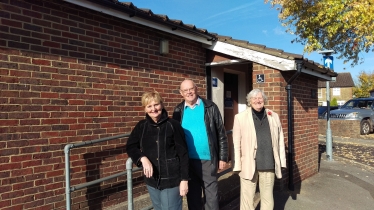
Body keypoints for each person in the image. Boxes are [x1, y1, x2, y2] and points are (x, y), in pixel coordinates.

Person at [126, 91, 189, 210]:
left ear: (162, 105)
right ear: (145, 109)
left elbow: (183, 154)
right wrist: (142, 158)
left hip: (171, 180)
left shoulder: (173, 125)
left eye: (156, 105)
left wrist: (184, 180)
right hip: (152, 180)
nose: (153, 109)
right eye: (149, 106)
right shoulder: (141, 126)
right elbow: (131, 146)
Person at [172, 79, 228, 210]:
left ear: (196, 89)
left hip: (207, 159)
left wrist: (223, 157)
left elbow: (221, 132)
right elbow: (175, 137)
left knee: (211, 197)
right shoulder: (178, 110)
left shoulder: (210, 107)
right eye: (185, 90)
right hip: (188, 161)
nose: (189, 92)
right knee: (193, 196)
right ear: (181, 93)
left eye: (191, 89)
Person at [232, 89, 286, 210]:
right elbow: (236, 143)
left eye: (260, 98)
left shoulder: (273, 116)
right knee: (247, 199)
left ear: (264, 100)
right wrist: (237, 164)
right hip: (248, 164)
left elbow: (280, 140)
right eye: (254, 98)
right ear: (249, 101)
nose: (258, 100)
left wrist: (281, 161)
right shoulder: (240, 118)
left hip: (268, 163)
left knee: (267, 198)